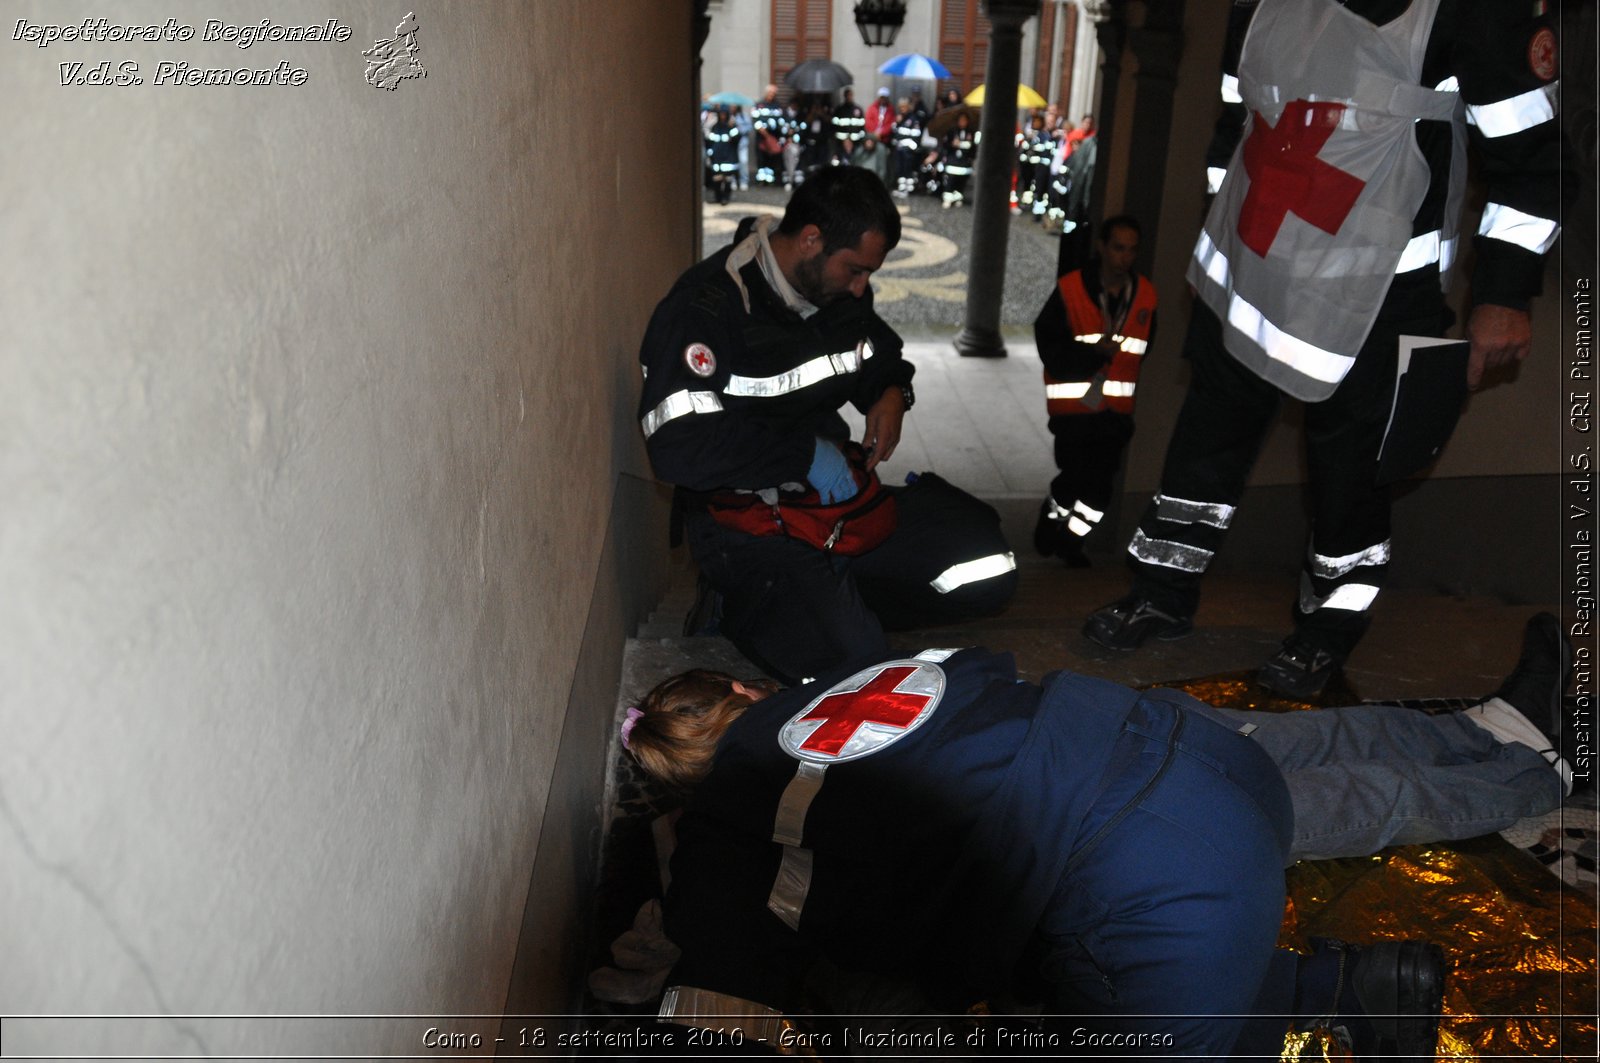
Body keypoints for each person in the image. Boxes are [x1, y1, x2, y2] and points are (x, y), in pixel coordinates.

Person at [626, 614, 1574, 1059]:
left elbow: (719, 1001)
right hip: (1149, 729)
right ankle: (1491, 736)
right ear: (744, 690)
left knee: (1077, 978)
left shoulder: (730, 824)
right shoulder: (837, 676)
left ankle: (1540, 765)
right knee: (1325, 747)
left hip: (1148, 863)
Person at [1084, 1, 1561, 699]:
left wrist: (1504, 294)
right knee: (1205, 440)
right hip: (1249, 268)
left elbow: (1534, 160)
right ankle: (1160, 587)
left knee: (1350, 479)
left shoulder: (1465, 11)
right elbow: (1235, 120)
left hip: (1375, 295)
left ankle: (1324, 635)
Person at [635, 167, 1018, 684]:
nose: (863, 287)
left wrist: (890, 390)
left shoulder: (840, 293)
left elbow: (873, 347)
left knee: (990, 567)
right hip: (746, 525)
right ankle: (751, 607)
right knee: (853, 671)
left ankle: (832, 601)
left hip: (836, 507)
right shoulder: (706, 307)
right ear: (811, 239)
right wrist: (804, 456)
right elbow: (679, 448)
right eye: (855, 270)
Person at [1033, 216, 1156, 566]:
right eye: (1118, 248)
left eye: (1132, 250)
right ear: (1101, 247)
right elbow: (1049, 345)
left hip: (1115, 414)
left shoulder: (1145, 294)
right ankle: (1052, 520)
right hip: (1073, 412)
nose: (1125, 257)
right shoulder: (1071, 289)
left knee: (1100, 489)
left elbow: (1146, 347)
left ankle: (1072, 542)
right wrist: (1091, 355)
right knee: (1072, 479)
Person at [932, 110, 976, 209]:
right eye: (961, 120)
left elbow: (974, 148)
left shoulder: (971, 132)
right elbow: (945, 145)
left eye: (964, 120)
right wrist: (952, 144)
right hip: (953, 160)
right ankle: (947, 198)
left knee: (961, 181)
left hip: (965, 162)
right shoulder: (952, 131)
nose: (962, 122)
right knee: (950, 180)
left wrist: (969, 151)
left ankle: (958, 197)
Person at [750, 85, 789, 187]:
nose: (772, 95)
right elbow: (754, 120)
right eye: (770, 93)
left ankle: (770, 179)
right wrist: (764, 133)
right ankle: (761, 180)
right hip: (762, 137)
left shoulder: (778, 106)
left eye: (774, 93)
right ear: (766, 93)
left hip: (774, 136)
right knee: (761, 157)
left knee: (772, 158)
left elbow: (783, 120)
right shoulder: (759, 105)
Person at [703, 106, 741, 205]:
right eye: (721, 114)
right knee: (717, 178)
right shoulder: (715, 126)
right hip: (717, 156)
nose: (723, 116)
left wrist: (731, 127)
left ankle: (726, 197)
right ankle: (718, 197)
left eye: (724, 114)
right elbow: (709, 139)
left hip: (728, 156)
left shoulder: (731, 125)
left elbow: (737, 138)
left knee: (728, 178)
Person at [889, 97, 925, 199]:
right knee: (899, 169)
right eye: (901, 107)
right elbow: (895, 133)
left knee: (907, 170)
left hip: (908, 151)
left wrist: (906, 143)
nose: (902, 109)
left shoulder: (914, 119)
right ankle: (901, 188)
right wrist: (897, 122)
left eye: (904, 107)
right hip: (899, 149)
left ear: (909, 107)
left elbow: (916, 135)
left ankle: (908, 189)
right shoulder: (900, 118)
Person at [829, 87, 864, 163]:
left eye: (850, 95)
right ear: (844, 96)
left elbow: (862, 126)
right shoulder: (839, 110)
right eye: (847, 95)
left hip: (856, 143)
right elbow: (834, 126)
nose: (849, 97)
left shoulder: (858, 110)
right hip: (841, 143)